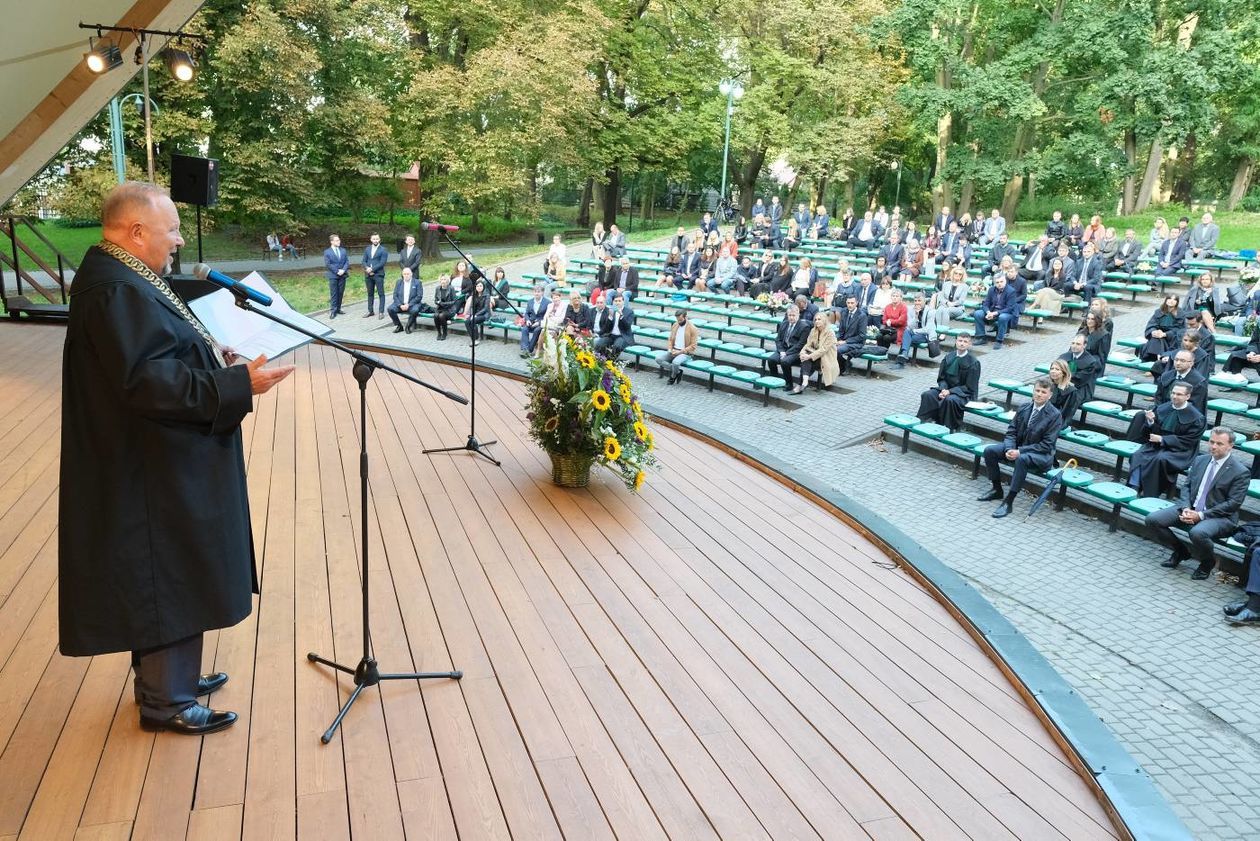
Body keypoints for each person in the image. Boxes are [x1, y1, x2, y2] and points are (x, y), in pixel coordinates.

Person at [60, 181, 295, 735]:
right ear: (136, 231)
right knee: (168, 569)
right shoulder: (118, 290)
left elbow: (159, 355)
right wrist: (236, 385)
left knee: (170, 568)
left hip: (154, 457)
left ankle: (171, 679)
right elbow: (148, 383)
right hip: (152, 466)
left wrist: (215, 359)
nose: (178, 238)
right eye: (170, 229)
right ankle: (167, 699)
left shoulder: (125, 278)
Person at [1144, 427, 1249, 580]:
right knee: (1153, 520)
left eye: (1219, 444)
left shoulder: (1240, 472)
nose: (1213, 446)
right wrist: (1186, 507)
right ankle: (1181, 551)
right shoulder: (1200, 460)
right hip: (1191, 507)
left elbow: (1233, 504)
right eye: (1211, 442)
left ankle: (1207, 563)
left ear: (1230, 446)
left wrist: (1200, 515)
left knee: (1197, 533)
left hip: (1221, 517)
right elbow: (1187, 486)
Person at [978, 378, 1064, 518]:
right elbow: (1011, 432)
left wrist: (1020, 451)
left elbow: (1046, 445)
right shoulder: (1024, 407)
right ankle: (997, 489)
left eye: (1043, 392)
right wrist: (1009, 449)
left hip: (1041, 455)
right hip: (1018, 448)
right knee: (990, 451)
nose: (1039, 394)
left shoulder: (1055, 415)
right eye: (1037, 390)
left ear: (1050, 395)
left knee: (1022, 459)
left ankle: (1009, 502)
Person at [1125, 382, 1206, 498]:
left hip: (1180, 451)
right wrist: (1150, 422)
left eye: (1179, 394)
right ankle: (1134, 486)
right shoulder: (1163, 408)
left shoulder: (1197, 418)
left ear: (1187, 397)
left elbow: (1189, 441)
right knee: (1138, 455)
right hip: (1157, 445)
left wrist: (1164, 439)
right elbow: (1151, 433)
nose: (1174, 396)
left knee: (1160, 459)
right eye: (1173, 393)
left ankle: (1150, 493)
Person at [918, 334, 979, 432]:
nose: (962, 344)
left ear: (969, 344)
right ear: (956, 342)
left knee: (949, 400)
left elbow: (970, 387)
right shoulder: (948, 357)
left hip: (963, 394)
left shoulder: (973, 362)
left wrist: (950, 392)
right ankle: (925, 421)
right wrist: (943, 389)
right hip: (946, 389)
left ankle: (948, 427)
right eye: (960, 341)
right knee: (928, 395)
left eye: (965, 341)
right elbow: (941, 379)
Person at [1152, 349, 1208, 415]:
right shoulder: (1166, 376)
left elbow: (1195, 405)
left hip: (1184, 416)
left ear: (1191, 363)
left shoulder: (1199, 382)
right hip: (1163, 411)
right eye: (1176, 360)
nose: (1178, 363)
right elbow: (1158, 397)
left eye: (1182, 361)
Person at [972, 273, 1019, 349]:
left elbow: (1010, 308)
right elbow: (986, 304)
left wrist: (995, 313)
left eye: (1001, 281)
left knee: (1002, 317)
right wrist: (988, 312)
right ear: (994, 283)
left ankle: (999, 340)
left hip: (1007, 313)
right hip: (992, 311)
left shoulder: (1011, 291)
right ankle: (981, 337)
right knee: (977, 313)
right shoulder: (991, 290)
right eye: (997, 282)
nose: (999, 284)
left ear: (1005, 281)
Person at [796, 310, 839, 393]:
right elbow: (807, 344)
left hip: (826, 358)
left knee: (807, 360)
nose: (817, 321)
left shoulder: (830, 333)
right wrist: (802, 352)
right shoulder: (813, 330)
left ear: (824, 320)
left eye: (819, 319)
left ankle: (801, 383)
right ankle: (804, 382)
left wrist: (808, 356)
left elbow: (823, 350)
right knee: (806, 359)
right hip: (815, 356)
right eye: (815, 319)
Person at [767, 304, 809, 386]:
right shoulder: (784, 324)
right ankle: (775, 379)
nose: (791, 317)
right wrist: (782, 351)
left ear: (798, 314)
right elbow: (778, 339)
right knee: (771, 360)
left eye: (794, 315)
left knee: (785, 361)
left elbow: (800, 344)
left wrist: (787, 353)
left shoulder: (804, 327)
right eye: (790, 315)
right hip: (784, 349)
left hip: (796, 351)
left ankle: (789, 383)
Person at [894, 293, 938, 369]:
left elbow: (927, 330)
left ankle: (901, 360)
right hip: (913, 334)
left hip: (926, 335)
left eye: (919, 301)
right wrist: (916, 316)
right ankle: (904, 355)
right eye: (915, 301)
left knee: (906, 337)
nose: (917, 303)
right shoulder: (911, 309)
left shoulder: (931, 311)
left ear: (924, 301)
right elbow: (909, 325)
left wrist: (914, 331)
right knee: (907, 334)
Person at [656, 309, 698, 385]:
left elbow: (693, 346)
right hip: (674, 350)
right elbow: (670, 339)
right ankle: (678, 371)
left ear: (686, 317)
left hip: (685, 353)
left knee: (675, 363)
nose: (679, 322)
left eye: (680, 320)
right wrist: (670, 349)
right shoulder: (675, 325)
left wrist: (680, 352)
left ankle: (673, 376)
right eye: (677, 320)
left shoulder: (693, 328)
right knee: (658, 359)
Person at [1058, 334, 1102, 402]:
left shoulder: (1090, 362)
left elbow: (1081, 379)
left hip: (1081, 388)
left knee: (1071, 395)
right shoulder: (1064, 356)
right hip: (1062, 383)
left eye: (1078, 344)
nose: (1074, 346)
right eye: (1073, 343)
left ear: (1084, 345)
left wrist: (1064, 378)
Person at [1138, 296, 1184, 361]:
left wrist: (1165, 334)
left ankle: (1151, 359)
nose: (1171, 301)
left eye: (1174, 299)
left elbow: (1180, 329)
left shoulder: (1180, 314)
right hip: (1158, 335)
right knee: (1156, 339)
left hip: (1171, 339)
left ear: (1177, 302)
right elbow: (1152, 324)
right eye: (1169, 298)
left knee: (1156, 340)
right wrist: (1153, 331)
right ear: (1166, 300)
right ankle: (1157, 359)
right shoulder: (1159, 312)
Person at [593, 292, 634, 359]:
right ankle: (602, 359)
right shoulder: (611, 310)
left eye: (619, 301)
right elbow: (606, 327)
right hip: (611, 335)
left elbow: (627, 326)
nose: (617, 303)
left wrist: (621, 316)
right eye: (616, 301)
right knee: (599, 344)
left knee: (617, 346)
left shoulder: (629, 312)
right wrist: (610, 317)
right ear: (613, 302)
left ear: (623, 301)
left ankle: (611, 362)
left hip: (622, 336)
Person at [835, 295, 869, 376]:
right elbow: (841, 330)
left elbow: (862, 336)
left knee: (836, 350)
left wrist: (845, 341)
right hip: (844, 341)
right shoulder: (844, 312)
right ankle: (844, 364)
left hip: (856, 343)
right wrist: (838, 340)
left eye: (852, 303)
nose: (850, 305)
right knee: (829, 346)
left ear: (856, 303)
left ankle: (843, 366)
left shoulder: (862, 316)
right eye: (848, 303)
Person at [387, 266, 423, 334]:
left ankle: (408, 326)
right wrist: (400, 305)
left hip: (412, 304)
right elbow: (395, 295)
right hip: (400, 303)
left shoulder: (417, 282)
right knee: (390, 309)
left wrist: (408, 305)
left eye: (408, 274)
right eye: (404, 274)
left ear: (411, 274)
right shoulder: (399, 282)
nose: (406, 275)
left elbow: (419, 296)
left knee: (415, 310)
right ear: (402, 274)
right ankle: (399, 326)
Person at [1047, 359, 1081, 423]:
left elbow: (1066, 413)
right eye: (1052, 368)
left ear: (1064, 373)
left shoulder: (1070, 391)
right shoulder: (1046, 384)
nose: (1053, 371)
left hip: (1057, 420)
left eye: (1057, 369)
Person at [361, 233, 388, 318]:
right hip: (368, 275)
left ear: (379, 239)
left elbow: (382, 262)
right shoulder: (367, 249)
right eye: (374, 239)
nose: (375, 240)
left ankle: (381, 312)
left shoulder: (383, 250)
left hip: (378, 274)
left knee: (381, 293)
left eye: (377, 239)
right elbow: (363, 261)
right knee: (370, 293)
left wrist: (372, 269)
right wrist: (367, 268)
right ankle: (370, 311)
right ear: (371, 239)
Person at [323, 233, 349, 318]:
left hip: (343, 275)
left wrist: (343, 270)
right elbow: (328, 264)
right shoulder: (327, 252)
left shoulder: (343, 250)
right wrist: (337, 271)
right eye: (337, 240)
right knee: (334, 293)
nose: (339, 241)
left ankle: (338, 308)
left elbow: (346, 262)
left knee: (340, 293)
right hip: (333, 275)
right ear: (332, 242)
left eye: (339, 240)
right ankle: (333, 310)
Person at [520, 284, 548, 357]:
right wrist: (528, 320)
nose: (536, 293)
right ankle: (525, 349)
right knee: (524, 329)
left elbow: (547, 316)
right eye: (535, 292)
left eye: (538, 292)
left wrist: (538, 323)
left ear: (542, 293)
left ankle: (529, 350)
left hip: (540, 323)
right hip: (531, 322)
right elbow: (526, 313)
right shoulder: (530, 301)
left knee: (537, 331)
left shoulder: (547, 302)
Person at [463, 278, 491, 344]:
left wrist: (476, 315)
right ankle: (473, 338)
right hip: (476, 314)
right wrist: (472, 314)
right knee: (467, 322)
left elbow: (485, 308)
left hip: (484, 314)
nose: (479, 287)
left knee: (473, 321)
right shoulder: (474, 295)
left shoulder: (487, 295)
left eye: (480, 286)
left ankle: (475, 339)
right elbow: (473, 307)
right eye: (477, 286)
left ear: (483, 287)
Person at [431, 273, 458, 341]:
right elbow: (436, 299)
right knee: (436, 315)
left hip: (450, 309)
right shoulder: (437, 288)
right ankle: (439, 333)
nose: (443, 281)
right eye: (442, 279)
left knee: (441, 316)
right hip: (440, 308)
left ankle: (445, 333)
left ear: (447, 280)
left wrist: (443, 303)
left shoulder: (451, 288)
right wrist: (437, 302)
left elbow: (454, 301)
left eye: (444, 279)